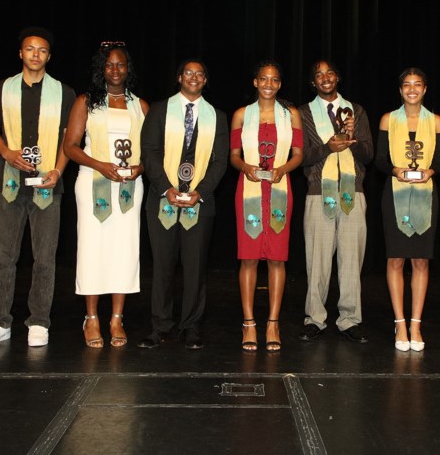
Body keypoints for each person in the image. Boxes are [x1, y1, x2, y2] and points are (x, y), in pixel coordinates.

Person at [0, 27, 75, 348]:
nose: (36, 55)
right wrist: (6, 153)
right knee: (3, 256)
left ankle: (39, 321)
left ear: (49, 56)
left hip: (47, 184)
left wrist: (59, 172)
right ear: (20, 53)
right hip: (8, 185)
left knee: (45, 257)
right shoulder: (2, 89)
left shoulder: (64, 93)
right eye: (30, 49)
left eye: (42, 50)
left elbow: (67, 139)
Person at [138, 59, 229, 349]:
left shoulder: (218, 116)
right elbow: (149, 152)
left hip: (199, 203)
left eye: (200, 74)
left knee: (195, 267)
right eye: (188, 72)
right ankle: (160, 325)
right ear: (179, 77)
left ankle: (191, 325)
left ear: (205, 81)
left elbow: (219, 161)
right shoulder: (159, 110)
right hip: (163, 198)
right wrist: (166, 188)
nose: (194, 77)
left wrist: (200, 191)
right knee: (162, 266)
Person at [63, 41, 148, 348]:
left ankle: (116, 318)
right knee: (92, 248)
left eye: (121, 65)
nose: (115, 70)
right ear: (102, 70)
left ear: (128, 69)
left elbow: (151, 152)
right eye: (109, 65)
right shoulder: (87, 102)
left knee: (124, 249)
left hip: (128, 186)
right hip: (93, 182)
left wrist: (140, 168)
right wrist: (100, 164)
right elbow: (70, 147)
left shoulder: (140, 105)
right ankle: (91, 318)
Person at [298, 59, 374, 344]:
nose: (325, 77)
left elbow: (368, 155)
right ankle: (314, 318)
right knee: (316, 260)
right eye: (318, 75)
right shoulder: (304, 113)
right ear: (313, 83)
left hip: (352, 192)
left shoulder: (356, 111)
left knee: (351, 258)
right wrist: (327, 147)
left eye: (330, 72)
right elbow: (301, 156)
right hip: (319, 192)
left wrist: (352, 138)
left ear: (337, 77)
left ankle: (350, 319)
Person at [229, 61, 303, 352]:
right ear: (255, 82)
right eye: (263, 79)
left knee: (277, 258)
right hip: (248, 189)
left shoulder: (291, 115)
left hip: (280, 189)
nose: (269, 84)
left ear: (280, 84)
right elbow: (234, 155)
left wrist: (283, 170)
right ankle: (248, 323)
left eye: (274, 79)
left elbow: (299, 154)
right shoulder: (240, 115)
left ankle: (273, 322)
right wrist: (245, 167)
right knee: (248, 258)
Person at [374, 67, 440, 351]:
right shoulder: (389, 119)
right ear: (400, 89)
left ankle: (416, 323)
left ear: (425, 89)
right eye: (406, 85)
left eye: (417, 85)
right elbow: (378, 160)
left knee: (421, 261)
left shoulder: (437, 121)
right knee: (395, 260)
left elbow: (439, 161)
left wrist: (431, 171)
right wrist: (395, 169)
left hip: (426, 194)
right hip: (395, 194)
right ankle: (399, 323)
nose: (412, 89)